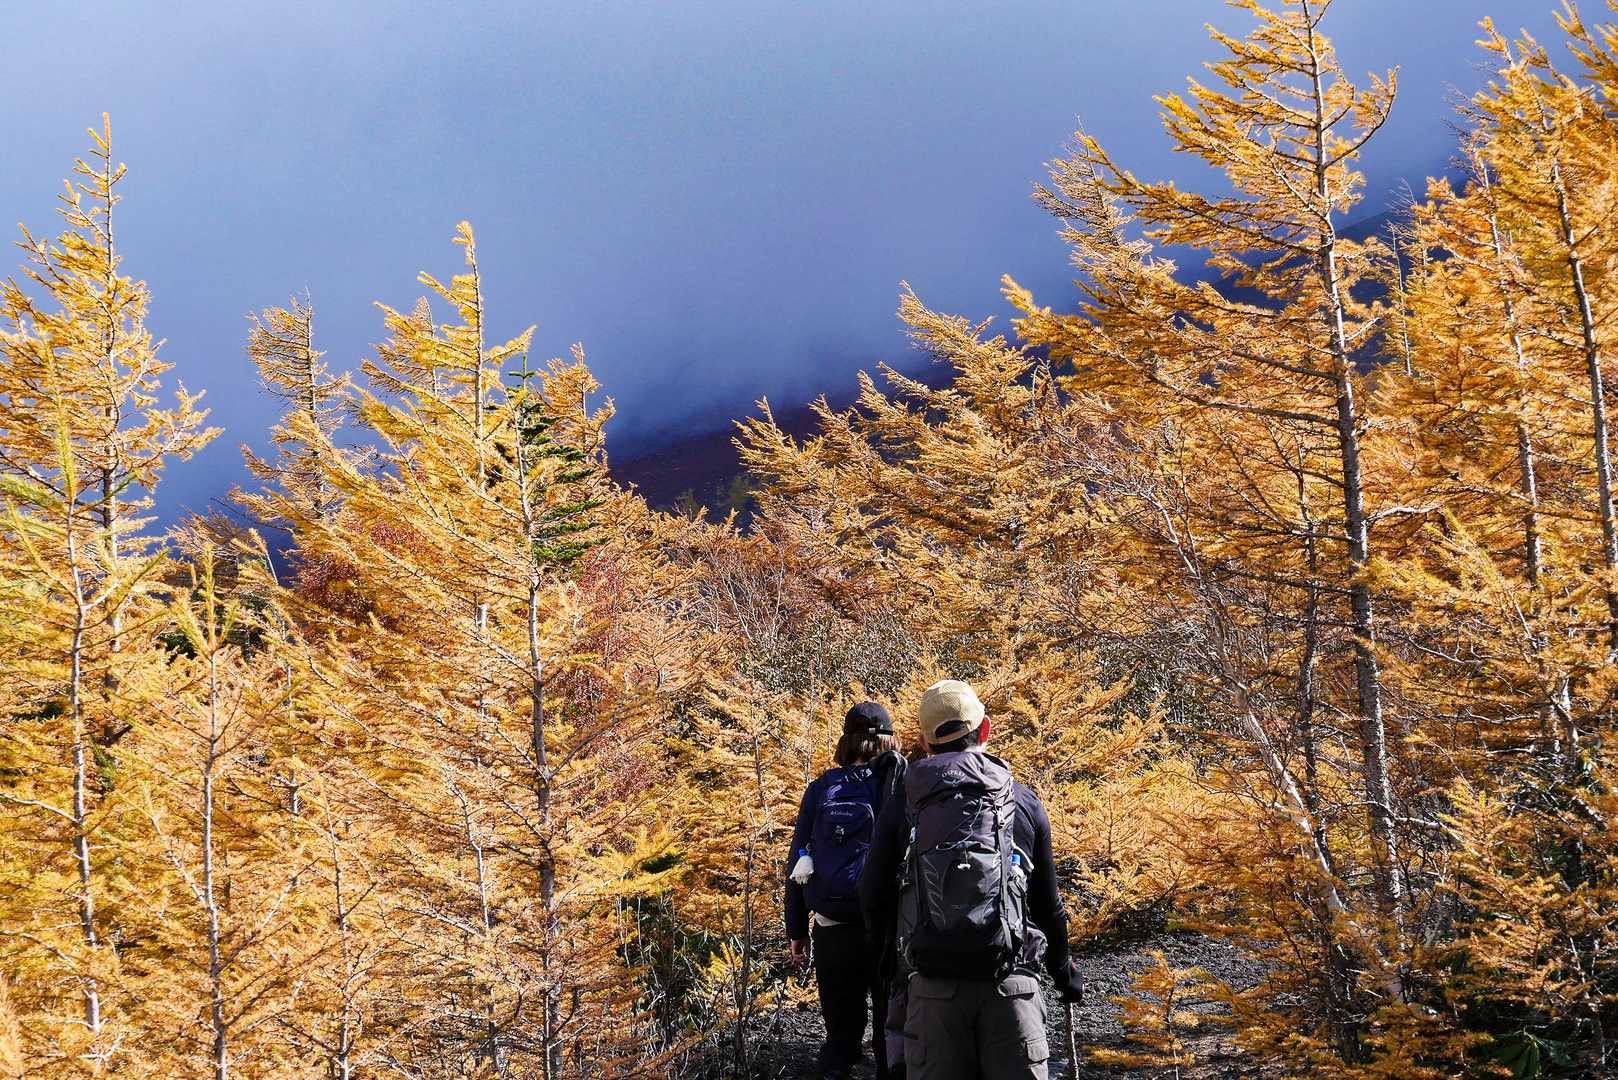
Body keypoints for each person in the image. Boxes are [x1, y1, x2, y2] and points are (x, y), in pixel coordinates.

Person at [859, 680, 1084, 1080]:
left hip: (932, 990)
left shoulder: (904, 801)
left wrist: (892, 963)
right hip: (1012, 986)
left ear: (925, 744)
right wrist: (1063, 972)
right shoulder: (1022, 800)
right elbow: (1048, 905)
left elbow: (872, 893)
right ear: (986, 729)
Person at [785, 701, 907, 1080]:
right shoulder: (897, 785)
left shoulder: (822, 787)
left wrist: (797, 930)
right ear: (889, 740)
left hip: (832, 926)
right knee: (890, 1038)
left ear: (846, 741)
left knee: (840, 1037)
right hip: (886, 929)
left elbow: (798, 861)